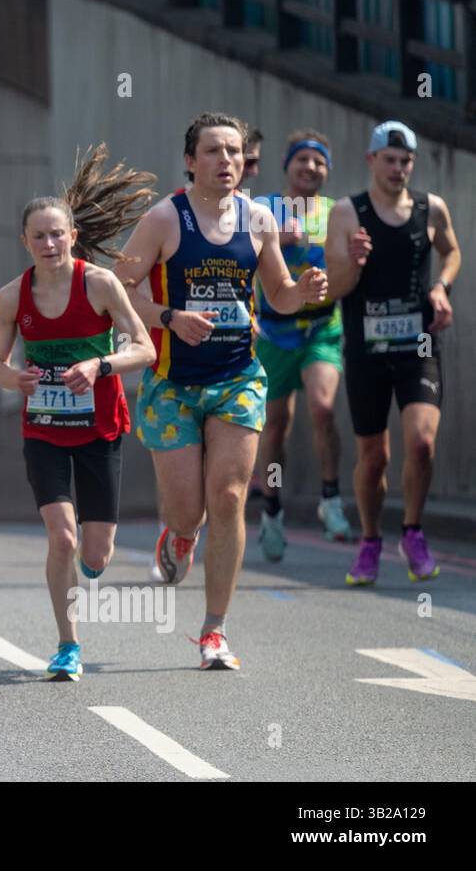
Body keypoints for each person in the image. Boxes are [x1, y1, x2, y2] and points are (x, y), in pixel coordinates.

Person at [115, 113, 327, 670]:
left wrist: (301, 291)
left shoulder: (258, 220)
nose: (227, 161)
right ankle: (179, 537)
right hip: (172, 384)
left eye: (234, 151)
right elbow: (119, 289)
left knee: (229, 496)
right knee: (189, 511)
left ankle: (214, 631)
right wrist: (168, 317)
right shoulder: (164, 218)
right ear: (191, 161)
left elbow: (277, 295)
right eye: (213, 151)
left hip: (237, 377)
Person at [0, 145, 157, 680]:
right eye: (38, 236)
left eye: (57, 233)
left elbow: (145, 348)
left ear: (72, 236)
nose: (49, 243)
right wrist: (14, 376)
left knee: (96, 553)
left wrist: (100, 365)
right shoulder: (13, 297)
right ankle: (68, 645)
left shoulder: (100, 285)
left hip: (100, 429)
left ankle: (89, 564)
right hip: (43, 431)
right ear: (25, 242)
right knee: (61, 537)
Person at [325, 121, 459, 585]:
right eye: (390, 160)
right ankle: (369, 541)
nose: (398, 169)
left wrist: (441, 287)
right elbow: (333, 289)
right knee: (375, 457)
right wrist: (354, 262)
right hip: (366, 350)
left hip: (419, 346)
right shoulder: (347, 213)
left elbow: (453, 252)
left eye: (406, 161)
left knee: (421, 443)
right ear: (371, 161)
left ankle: (413, 533)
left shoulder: (431, 208)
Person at [250, 130, 352, 560]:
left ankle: (330, 499)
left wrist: (356, 254)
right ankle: (272, 509)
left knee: (323, 408)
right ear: (287, 165)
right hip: (274, 331)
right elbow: (238, 254)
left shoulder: (337, 212)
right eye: (303, 159)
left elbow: (349, 264)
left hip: (321, 328)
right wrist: (273, 242)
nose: (311, 167)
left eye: (319, 161)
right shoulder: (263, 210)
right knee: (275, 427)